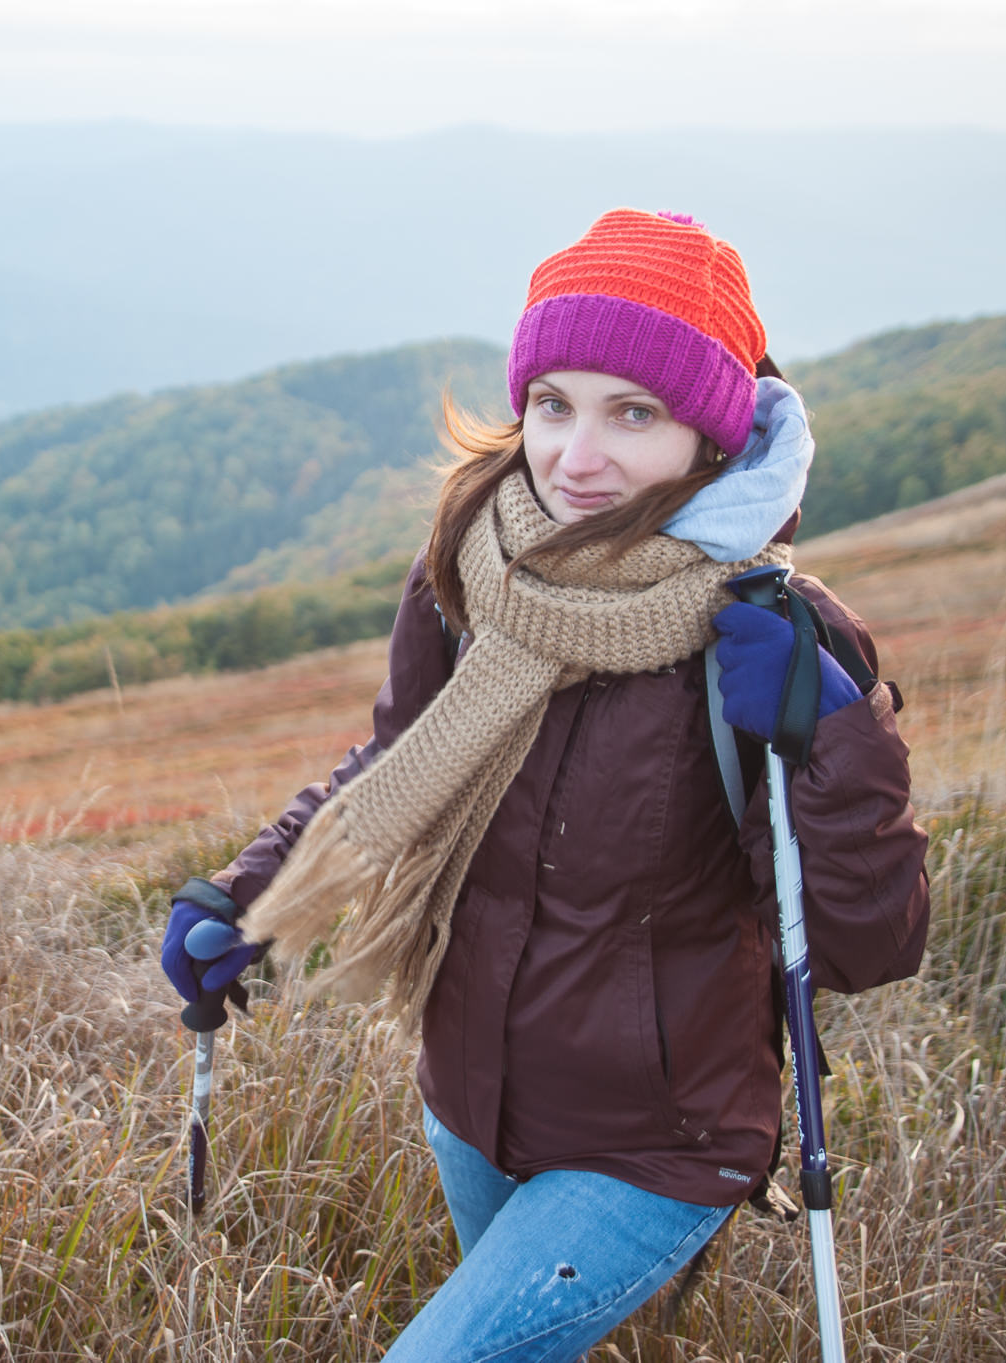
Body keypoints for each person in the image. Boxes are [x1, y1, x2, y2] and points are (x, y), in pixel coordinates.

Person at [160, 208, 930, 1361]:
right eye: (553, 404)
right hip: (469, 1100)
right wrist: (251, 896)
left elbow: (873, 943)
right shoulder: (470, 566)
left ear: (708, 439)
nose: (576, 456)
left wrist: (828, 729)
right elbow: (398, 759)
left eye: (634, 412)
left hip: (658, 1141)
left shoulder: (768, 637)